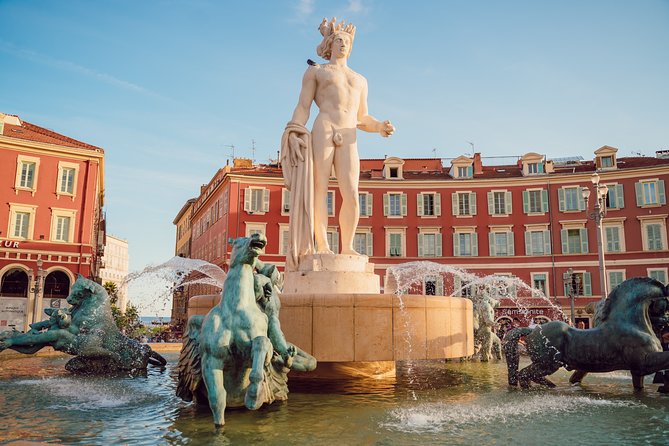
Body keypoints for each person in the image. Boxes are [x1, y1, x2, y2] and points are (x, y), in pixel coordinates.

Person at [282, 17, 395, 270]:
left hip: (349, 132)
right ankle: (322, 244)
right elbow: (303, 106)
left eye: (347, 41)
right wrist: (294, 129)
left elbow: (362, 116)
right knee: (319, 189)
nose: (343, 44)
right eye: (339, 40)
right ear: (330, 45)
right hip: (324, 127)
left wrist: (378, 126)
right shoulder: (317, 71)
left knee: (352, 193)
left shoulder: (360, 79)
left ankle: (347, 246)